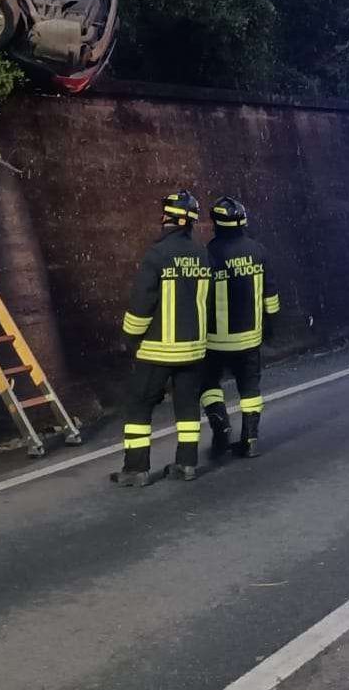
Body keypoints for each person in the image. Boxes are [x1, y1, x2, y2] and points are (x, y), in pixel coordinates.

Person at [113, 190, 214, 486]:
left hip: (158, 350)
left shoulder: (157, 254)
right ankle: (186, 464)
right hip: (194, 349)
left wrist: (129, 337)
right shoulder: (201, 253)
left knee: (139, 405)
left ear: (168, 218)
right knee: (187, 405)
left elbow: (142, 303)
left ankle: (135, 469)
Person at [200, 197, 281, 458]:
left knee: (209, 383)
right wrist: (271, 326)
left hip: (215, 341)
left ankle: (221, 427)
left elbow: (200, 297)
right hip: (250, 338)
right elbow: (270, 295)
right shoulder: (258, 250)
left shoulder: (209, 253)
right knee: (250, 389)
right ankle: (251, 439)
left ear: (217, 224)